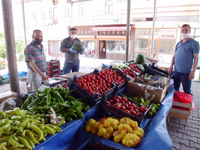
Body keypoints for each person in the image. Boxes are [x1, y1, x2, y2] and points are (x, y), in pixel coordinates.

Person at [168, 24, 199, 94]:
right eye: (183, 30)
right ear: (181, 32)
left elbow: (196, 59)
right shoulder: (179, 43)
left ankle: (188, 104)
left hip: (186, 73)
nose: (184, 32)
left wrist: (193, 72)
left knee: (187, 91)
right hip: (176, 72)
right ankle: (176, 104)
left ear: (189, 31)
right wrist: (171, 67)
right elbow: (174, 56)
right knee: (175, 90)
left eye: (186, 30)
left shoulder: (194, 43)